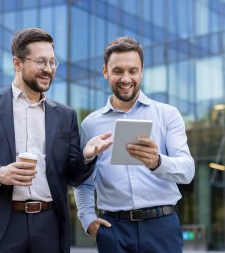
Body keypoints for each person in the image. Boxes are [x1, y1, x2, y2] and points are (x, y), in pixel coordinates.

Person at [0, 28, 112, 253]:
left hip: (50, 226)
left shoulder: (65, 115)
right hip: (0, 227)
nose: (49, 69)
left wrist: (87, 155)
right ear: (17, 63)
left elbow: (73, 177)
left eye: (53, 62)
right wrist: (0, 174)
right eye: (41, 61)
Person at [74, 36, 195, 253]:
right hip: (114, 230)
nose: (126, 78)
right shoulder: (90, 124)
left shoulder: (167, 115)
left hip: (162, 228)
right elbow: (83, 182)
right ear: (105, 72)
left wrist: (158, 162)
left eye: (132, 70)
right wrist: (88, 220)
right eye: (118, 71)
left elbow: (187, 171)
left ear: (142, 71)